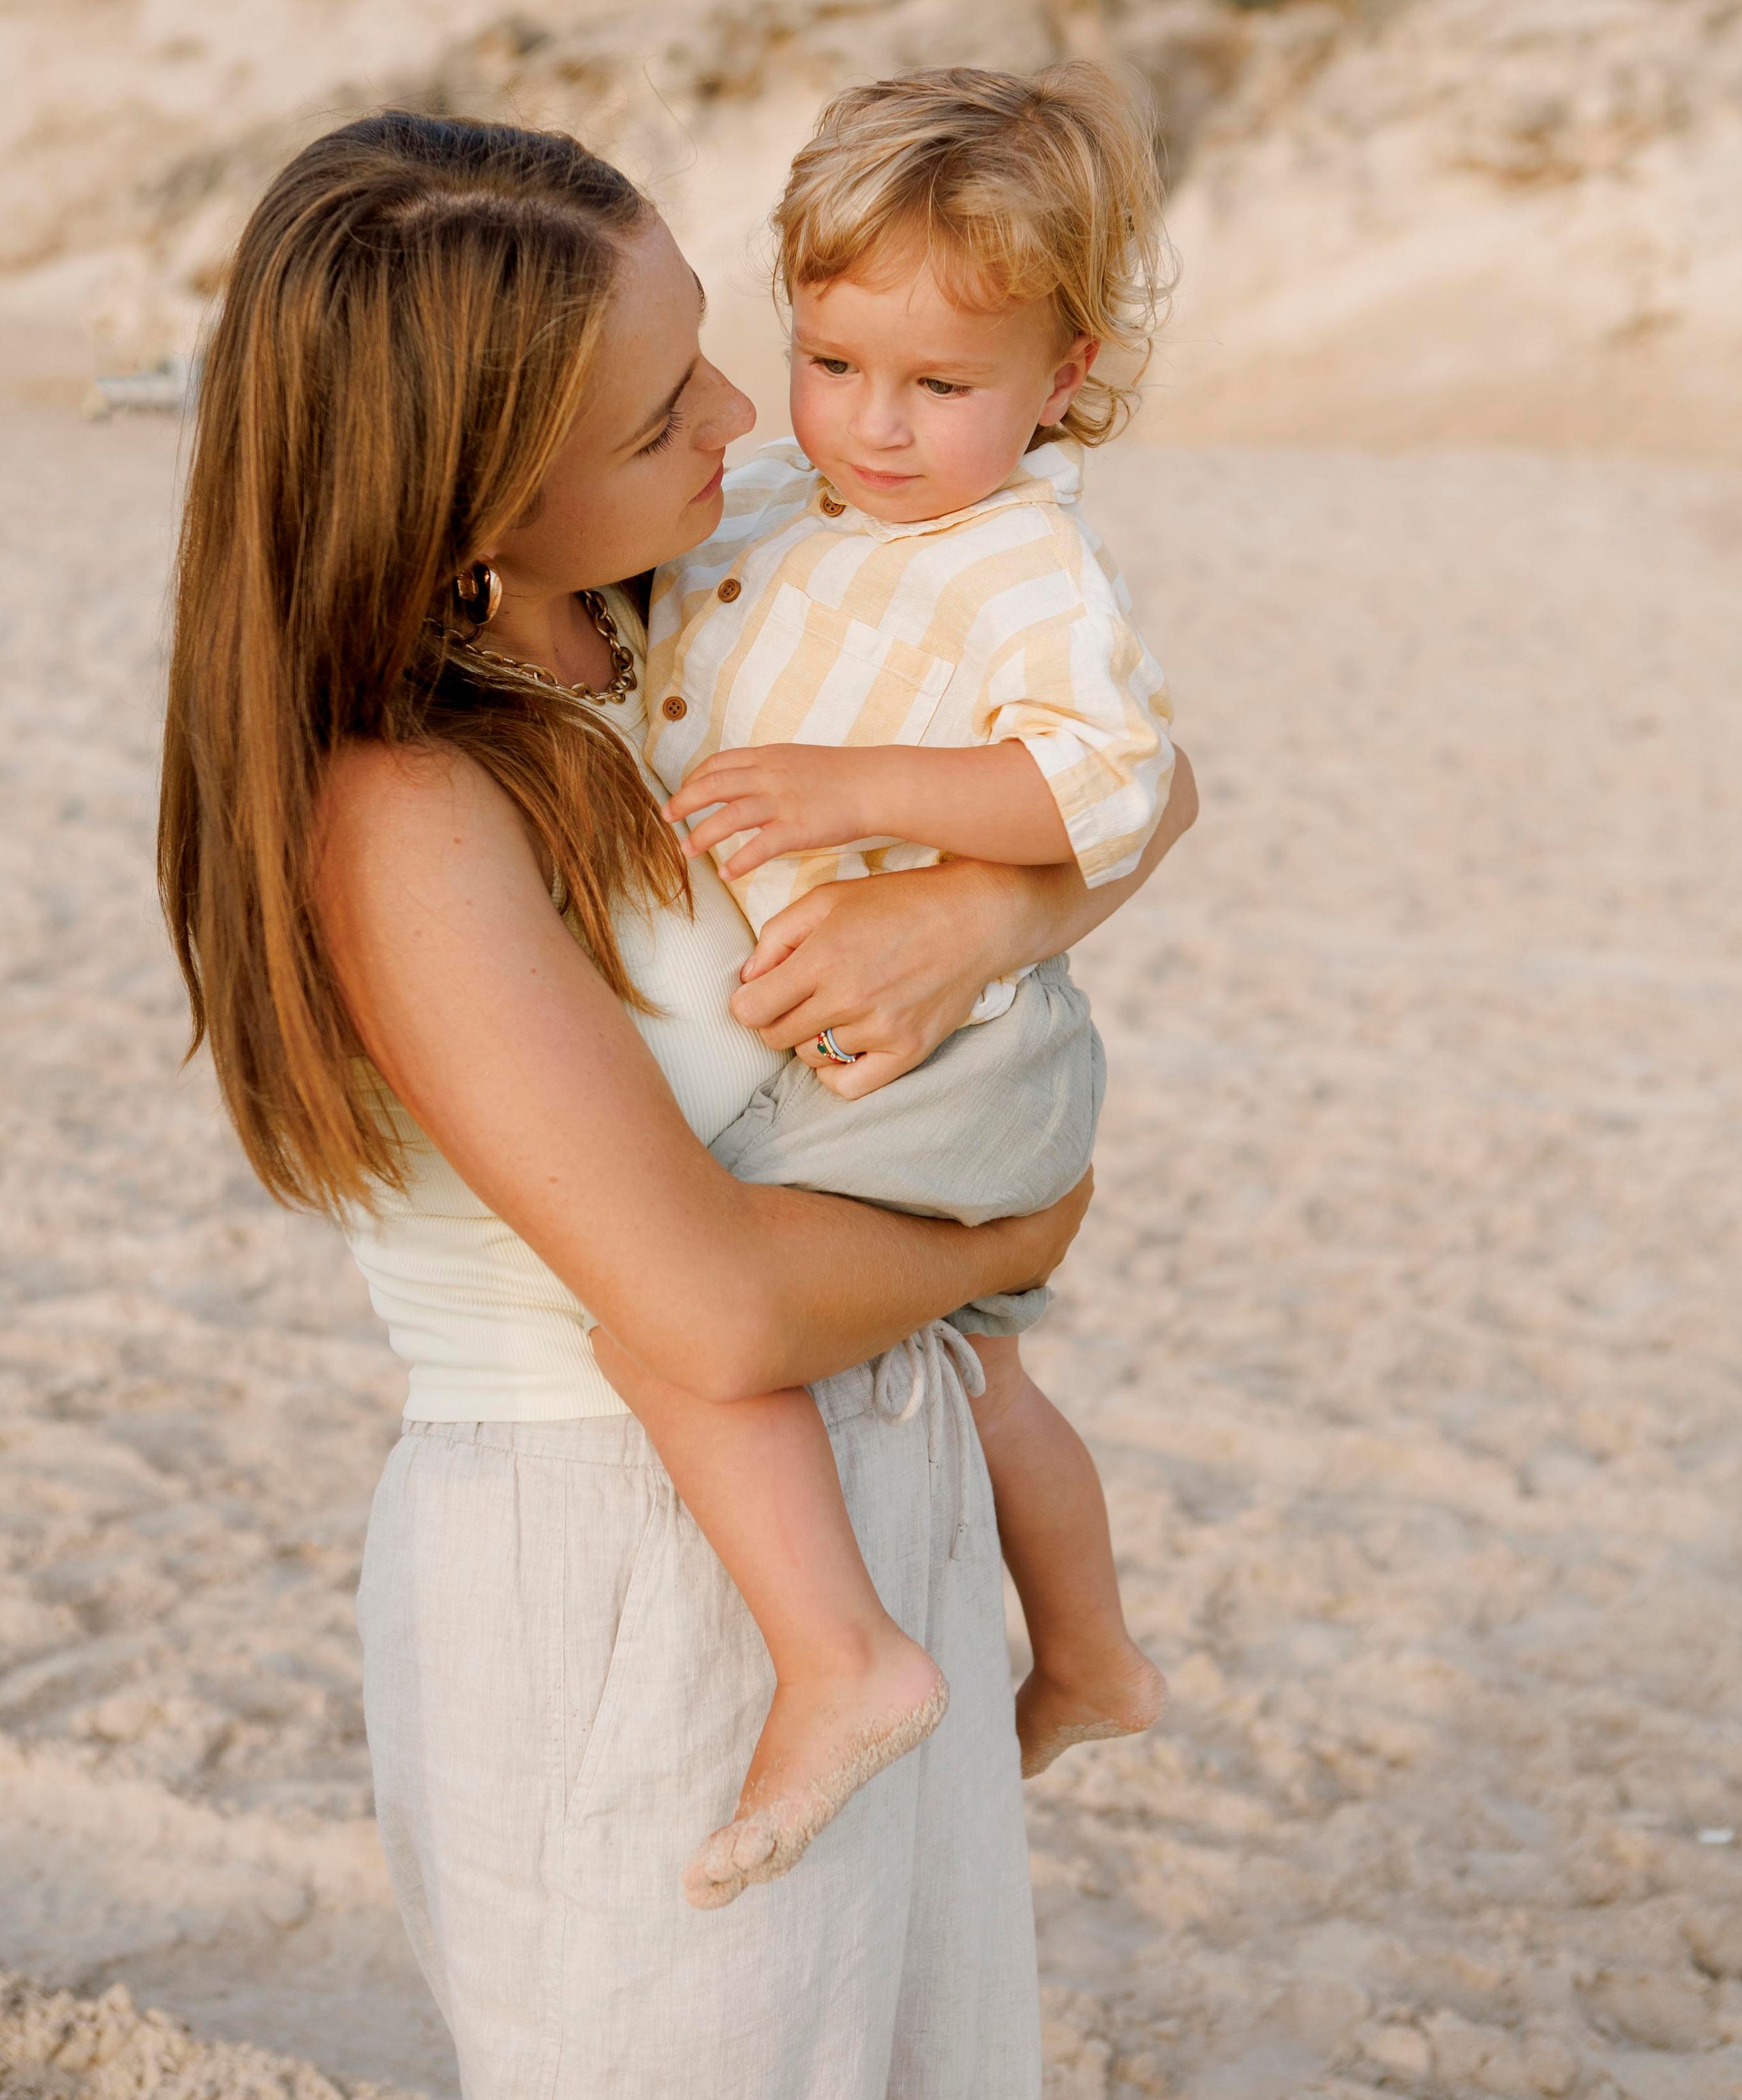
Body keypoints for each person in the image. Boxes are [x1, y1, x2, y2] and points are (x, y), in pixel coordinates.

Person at [157, 108, 1198, 2100]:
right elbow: (707, 1314)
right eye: (663, 412)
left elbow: (1158, 782)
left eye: (715, 345)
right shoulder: (406, 808)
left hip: (888, 1510)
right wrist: (1016, 1238)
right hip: (626, 1572)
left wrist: (970, 920)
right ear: (471, 492)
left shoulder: (674, 619)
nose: (749, 409)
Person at [600, 65, 1172, 1913]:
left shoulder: (1019, 560)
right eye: (839, 363)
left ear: (1062, 377)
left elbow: (1109, 779)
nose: (877, 427)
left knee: (663, 1299)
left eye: (943, 389)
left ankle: (842, 1658)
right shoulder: (766, 491)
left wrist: (869, 798)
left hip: (955, 1048)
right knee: (984, 1374)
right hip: (876, 1036)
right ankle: (1088, 1653)